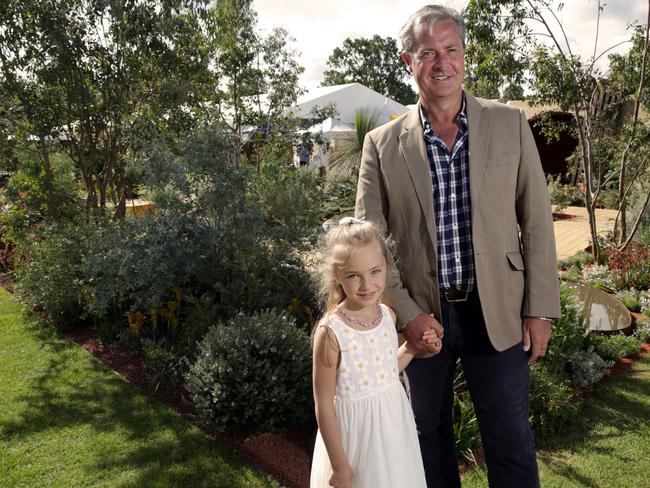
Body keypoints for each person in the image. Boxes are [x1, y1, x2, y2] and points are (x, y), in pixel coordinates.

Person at [355, 5, 561, 488]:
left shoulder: (510, 124)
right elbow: (371, 247)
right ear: (409, 62)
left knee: (510, 440)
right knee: (425, 439)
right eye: (428, 52)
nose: (441, 63)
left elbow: (536, 222)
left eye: (451, 50)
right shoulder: (381, 144)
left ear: (465, 56)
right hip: (422, 318)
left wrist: (541, 310)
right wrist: (407, 313)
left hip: (500, 312)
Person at [310, 218, 441, 488]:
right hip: (355, 441)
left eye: (375, 272)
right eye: (353, 276)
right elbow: (323, 403)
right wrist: (339, 465)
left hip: (393, 432)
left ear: (386, 268)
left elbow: (384, 371)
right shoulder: (331, 332)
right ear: (337, 276)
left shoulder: (387, 315)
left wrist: (413, 348)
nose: (367, 284)